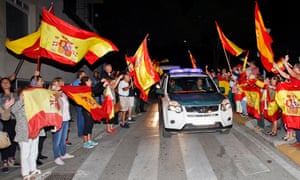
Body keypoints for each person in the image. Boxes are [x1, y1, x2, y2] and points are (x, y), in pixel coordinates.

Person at [11, 88, 41, 179]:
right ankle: (25, 173)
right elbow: (13, 110)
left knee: (34, 151)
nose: (25, 96)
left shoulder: (33, 104)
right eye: (23, 95)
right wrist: (21, 100)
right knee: (25, 153)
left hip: (35, 131)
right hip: (24, 133)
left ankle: (33, 168)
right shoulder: (17, 104)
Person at [49, 77, 74, 165]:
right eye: (60, 84)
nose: (62, 85)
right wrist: (56, 95)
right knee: (57, 140)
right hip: (57, 120)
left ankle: (63, 154)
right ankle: (56, 157)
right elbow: (52, 107)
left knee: (63, 138)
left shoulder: (63, 94)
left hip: (66, 119)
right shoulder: (52, 95)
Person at [0, 77, 19, 173]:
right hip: (4, 120)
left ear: (10, 84)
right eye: (3, 82)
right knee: (5, 140)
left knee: (14, 140)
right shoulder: (0, 96)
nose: (6, 83)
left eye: (7, 82)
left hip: (15, 120)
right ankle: (4, 161)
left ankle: (11, 159)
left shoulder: (16, 95)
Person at [30, 71, 48, 165]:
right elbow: (32, 85)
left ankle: (39, 154)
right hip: (35, 119)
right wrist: (35, 76)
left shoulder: (41, 91)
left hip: (41, 118)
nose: (43, 82)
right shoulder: (33, 90)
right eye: (41, 81)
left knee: (41, 137)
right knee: (36, 139)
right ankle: (35, 157)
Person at [80, 76, 100, 149]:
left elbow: (96, 91)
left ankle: (89, 140)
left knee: (90, 125)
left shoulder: (89, 89)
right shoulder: (83, 90)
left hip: (91, 109)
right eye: (89, 81)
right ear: (86, 82)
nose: (91, 82)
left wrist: (102, 84)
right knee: (87, 126)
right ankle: (85, 142)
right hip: (86, 110)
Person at [72, 70, 87, 140]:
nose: (85, 76)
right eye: (84, 75)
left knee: (83, 117)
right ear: (80, 75)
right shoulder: (76, 82)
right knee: (80, 117)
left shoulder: (82, 82)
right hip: (79, 102)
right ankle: (80, 133)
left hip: (83, 102)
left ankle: (83, 131)